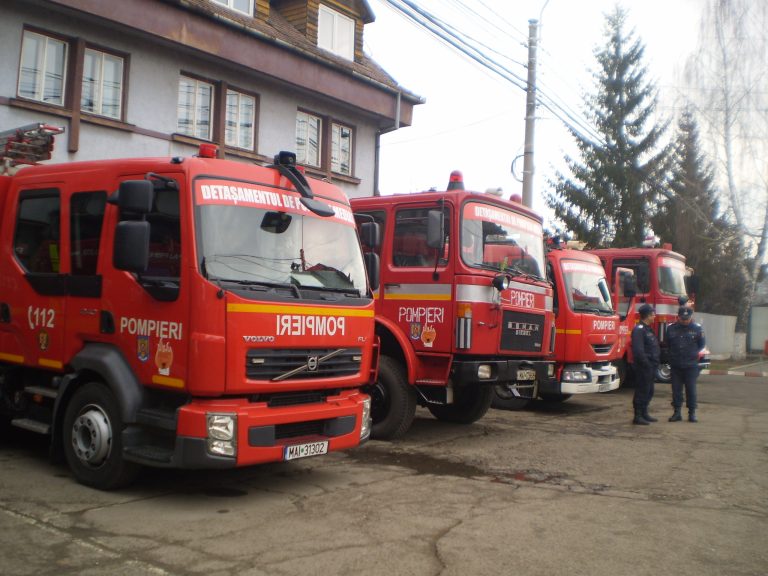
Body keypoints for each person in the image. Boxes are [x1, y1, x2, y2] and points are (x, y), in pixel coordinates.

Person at [666, 306, 706, 422]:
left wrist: (692, 354)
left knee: (691, 390)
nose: (685, 321)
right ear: (678, 317)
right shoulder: (671, 329)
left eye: (687, 319)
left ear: (691, 317)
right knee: (676, 390)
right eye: (682, 319)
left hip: (691, 365)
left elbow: (701, 345)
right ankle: (677, 412)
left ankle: (692, 413)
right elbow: (668, 344)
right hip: (676, 365)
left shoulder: (697, 329)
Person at [631, 303, 660, 425]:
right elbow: (638, 351)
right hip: (644, 366)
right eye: (653, 314)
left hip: (651, 366)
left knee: (649, 390)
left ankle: (644, 412)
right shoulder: (639, 330)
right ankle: (638, 416)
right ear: (647, 316)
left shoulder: (648, 329)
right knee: (642, 390)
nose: (654, 316)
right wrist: (646, 364)